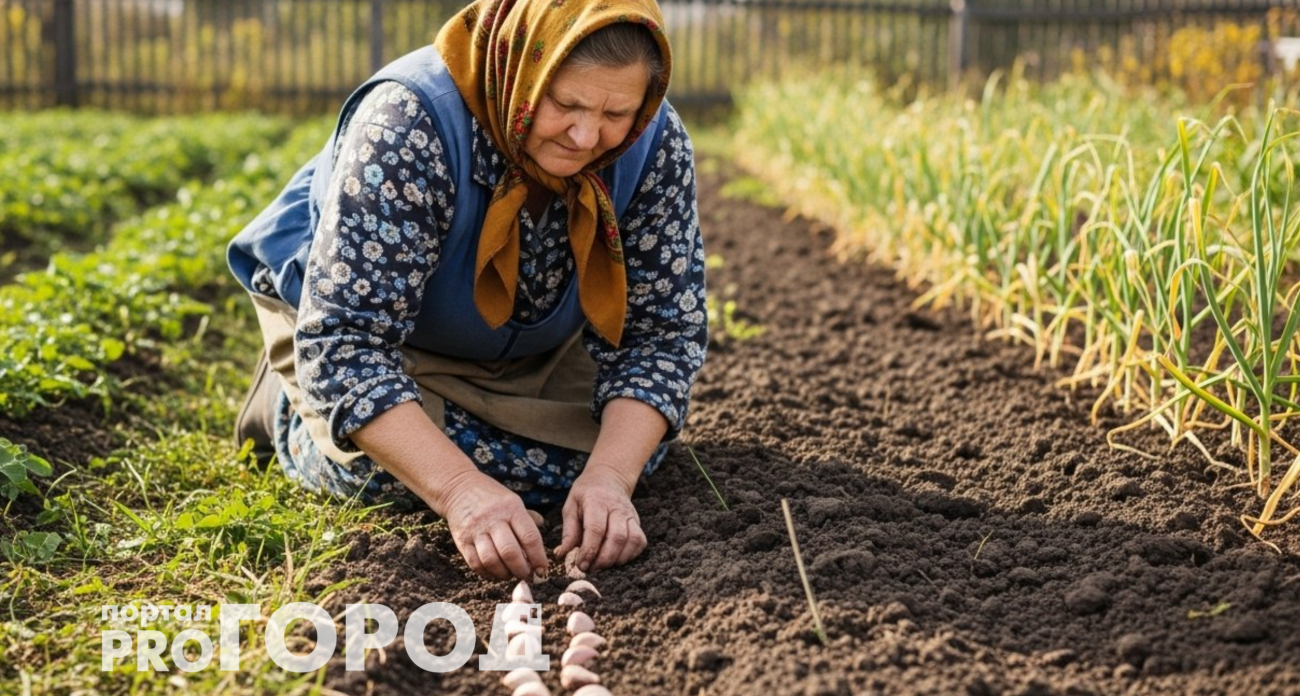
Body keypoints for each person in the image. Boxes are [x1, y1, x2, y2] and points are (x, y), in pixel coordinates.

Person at [226, 0, 706, 583]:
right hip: (391, 344)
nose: (586, 136)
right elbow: (346, 343)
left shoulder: (654, 141)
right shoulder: (407, 124)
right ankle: (288, 408)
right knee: (380, 473)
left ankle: (499, 432)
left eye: (616, 113)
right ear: (522, 69)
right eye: (565, 104)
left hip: (535, 347)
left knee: (629, 455)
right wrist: (459, 490)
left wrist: (610, 477)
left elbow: (662, 334)